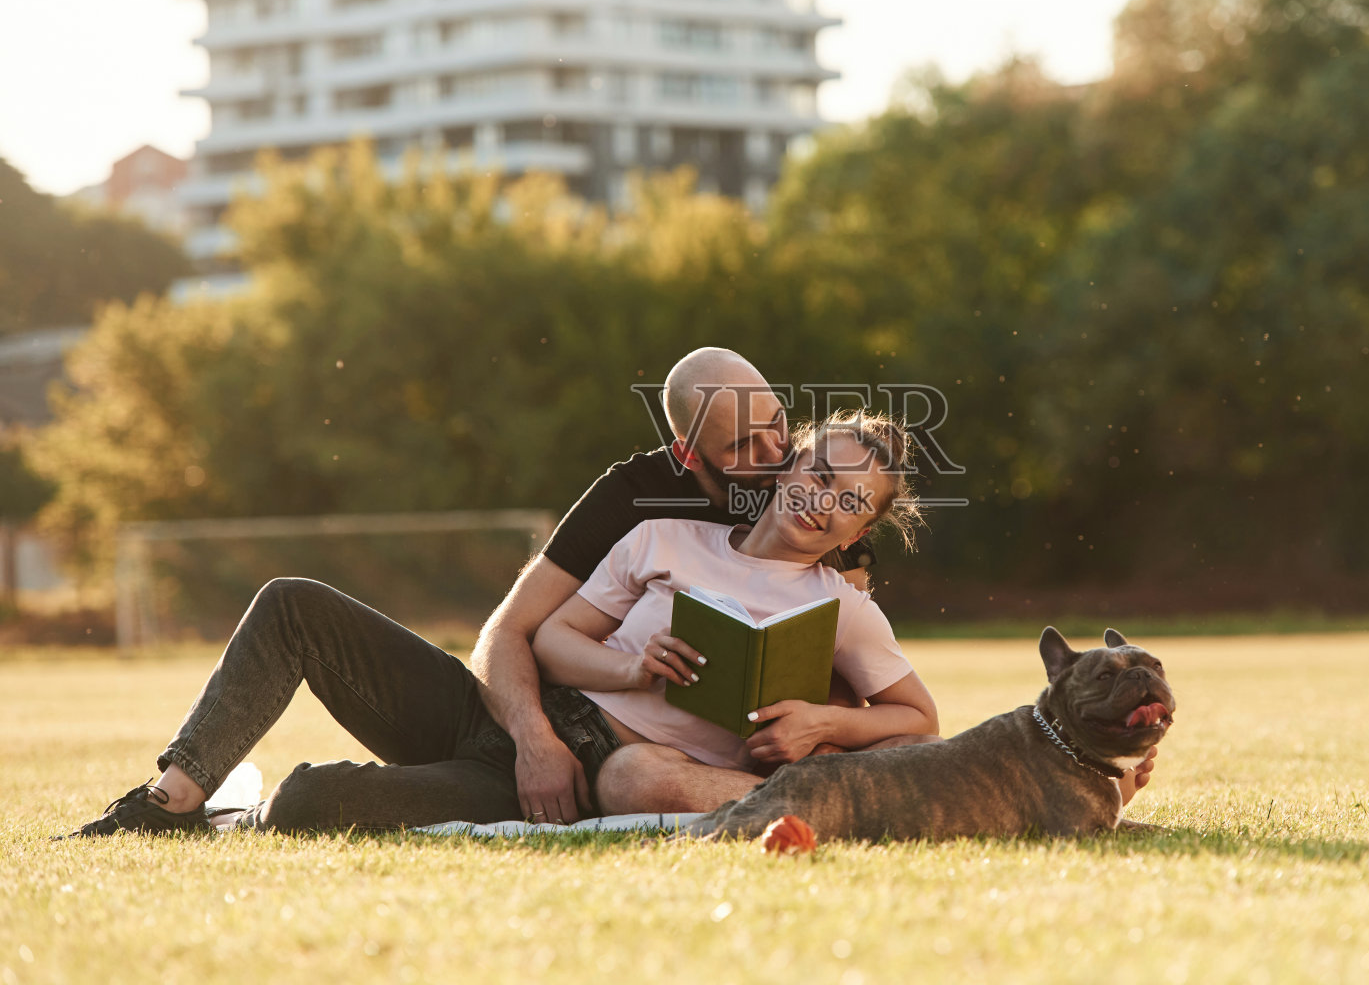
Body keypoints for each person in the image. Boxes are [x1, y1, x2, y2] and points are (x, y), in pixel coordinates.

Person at [58, 348, 879, 836]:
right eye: (746, 442)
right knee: (290, 601)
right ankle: (169, 803)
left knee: (309, 800)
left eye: (780, 425)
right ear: (687, 453)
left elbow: (849, 685)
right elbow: (507, 631)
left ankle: (247, 813)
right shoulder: (636, 498)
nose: (777, 452)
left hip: (590, 766)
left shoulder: (817, 508)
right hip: (505, 727)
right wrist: (533, 740)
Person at [530, 409, 941, 817]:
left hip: (662, 772)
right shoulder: (661, 537)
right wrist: (634, 668)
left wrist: (822, 723)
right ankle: (820, 803)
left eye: (851, 502)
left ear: (858, 534)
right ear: (787, 469)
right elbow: (550, 642)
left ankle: (819, 805)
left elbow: (920, 718)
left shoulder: (843, 609)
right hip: (561, 723)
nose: (822, 501)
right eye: (819, 475)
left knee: (631, 776)